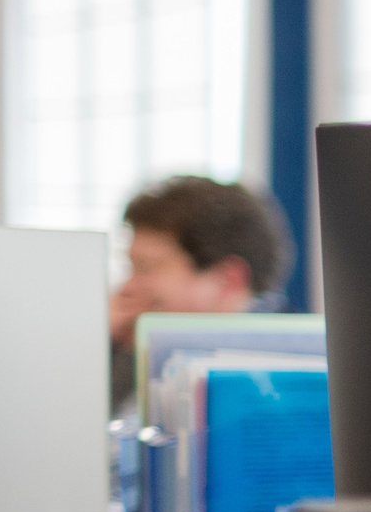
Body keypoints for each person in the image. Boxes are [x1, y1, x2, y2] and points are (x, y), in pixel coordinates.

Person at [107, 176, 296, 412]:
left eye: (147, 267)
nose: (127, 287)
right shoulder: (145, 348)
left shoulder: (290, 384)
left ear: (228, 280)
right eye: (132, 267)